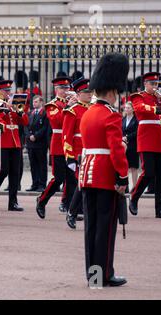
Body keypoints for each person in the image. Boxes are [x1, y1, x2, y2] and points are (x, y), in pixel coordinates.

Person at [80, 53, 129, 287]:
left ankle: (93, 276)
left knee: (91, 228)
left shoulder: (88, 113)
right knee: (105, 230)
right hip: (104, 175)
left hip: (87, 175)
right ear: (112, 91)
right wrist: (122, 176)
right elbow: (116, 151)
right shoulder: (111, 115)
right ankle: (104, 275)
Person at [129, 72, 161, 219]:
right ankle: (134, 198)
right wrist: (160, 109)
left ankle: (160, 209)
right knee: (148, 173)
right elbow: (141, 109)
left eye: (156, 84)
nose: (155, 86)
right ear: (145, 84)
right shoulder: (138, 96)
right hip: (147, 139)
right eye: (152, 84)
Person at [35, 78, 73, 218]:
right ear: (56, 90)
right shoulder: (52, 105)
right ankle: (42, 201)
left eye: (67, 87)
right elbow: (57, 120)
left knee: (71, 178)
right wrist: (69, 107)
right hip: (58, 144)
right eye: (62, 88)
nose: (65, 90)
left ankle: (70, 209)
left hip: (70, 144)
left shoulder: (72, 103)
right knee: (58, 178)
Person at [60, 78, 93, 229]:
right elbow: (66, 136)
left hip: (93, 152)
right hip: (79, 154)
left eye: (90, 92)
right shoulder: (72, 111)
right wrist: (70, 157)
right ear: (79, 94)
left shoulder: (93, 109)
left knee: (91, 184)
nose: (90, 94)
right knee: (81, 185)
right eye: (86, 92)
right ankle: (72, 212)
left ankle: (87, 211)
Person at [0, 83, 29, 212]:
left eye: (9, 90)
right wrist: (6, 108)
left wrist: (19, 111)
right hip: (3, 142)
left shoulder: (14, 105)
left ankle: (13, 202)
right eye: (5, 90)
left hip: (16, 142)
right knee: (3, 171)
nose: (7, 93)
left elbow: (25, 121)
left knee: (15, 173)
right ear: (0, 91)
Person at [26, 96, 48, 193]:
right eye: (33, 102)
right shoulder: (30, 113)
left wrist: (36, 136)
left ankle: (42, 184)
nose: (34, 104)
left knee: (42, 164)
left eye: (36, 102)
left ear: (41, 102)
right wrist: (29, 135)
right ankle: (34, 184)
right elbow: (26, 125)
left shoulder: (44, 113)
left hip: (40, 143)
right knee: (33, 164)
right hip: (31, 143)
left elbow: (45, 127)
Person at [122, 100, 139, 191]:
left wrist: (127, 137)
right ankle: (127, 186)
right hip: (124, 145)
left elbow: (137, 132)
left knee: (133, 167)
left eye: (128, 108)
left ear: (133, 109)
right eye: (125, 108)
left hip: (133, 145)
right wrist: (122, 137)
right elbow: (120, 130)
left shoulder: (136, 120)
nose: (126, 109)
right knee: (125, 167)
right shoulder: (123, 119)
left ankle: (135, 186)